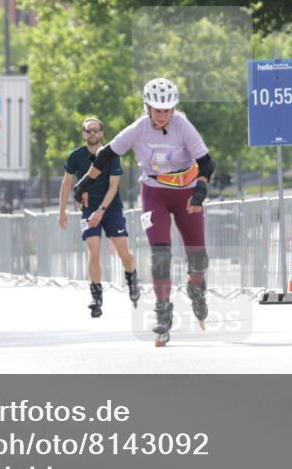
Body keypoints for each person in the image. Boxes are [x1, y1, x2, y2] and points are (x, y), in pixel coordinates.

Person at [74, 78, 215, 346]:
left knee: (198, 256)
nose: (162, 116)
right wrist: (85, 182)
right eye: (157, 110)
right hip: (154, 193)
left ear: (173, 109)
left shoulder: (182, 126)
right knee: (160, 254)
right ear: (147, 107)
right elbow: (105, 155)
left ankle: (196, 286)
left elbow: (207, 163)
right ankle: (163, 311)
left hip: (187, 195)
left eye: (167, 110)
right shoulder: (139, 129)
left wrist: (200, 189)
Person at [59, 117, 139, 318]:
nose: (92, 133)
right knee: (93, 252)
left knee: (124, 254)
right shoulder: (75, 156)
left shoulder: (111, 154)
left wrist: (101, 211)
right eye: (88, 130)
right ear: (83, 133)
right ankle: (96, 296)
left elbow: (114, 186)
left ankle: (132, 278)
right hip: (88, 210)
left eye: (96, 130)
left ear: (102, 133)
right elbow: (67, 184)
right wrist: (62, 211)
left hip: (111, 209)